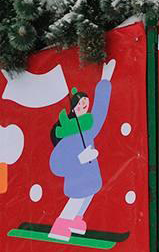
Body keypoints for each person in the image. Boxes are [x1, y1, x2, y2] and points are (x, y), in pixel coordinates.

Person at [48, 59, 116, 240]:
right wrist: (80, 159)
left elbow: (100, 112)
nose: (84, 105)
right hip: (77, 179)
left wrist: (104, 81)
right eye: (80, 104)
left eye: (86, 102)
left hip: (91, 177)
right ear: (73, 109)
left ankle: (76, 220)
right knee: (77, 199)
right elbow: (56, 165)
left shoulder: (88, 127)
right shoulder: (67, 135)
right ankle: (61, 224)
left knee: (89, 195)